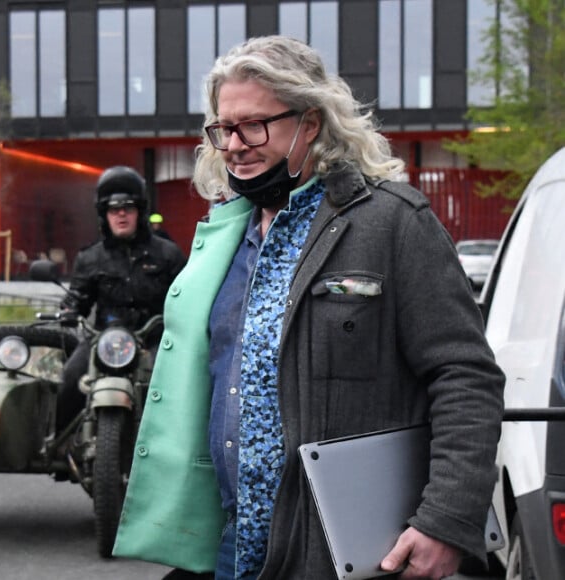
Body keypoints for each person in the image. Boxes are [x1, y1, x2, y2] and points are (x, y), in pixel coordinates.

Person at [114, 36, 505, 580]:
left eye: (254, 125)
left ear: (312, 123)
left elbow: (465, 376)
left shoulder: (392, 222)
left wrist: (446, 519)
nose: (234, 144)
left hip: (343, 550)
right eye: (224, 128)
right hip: (231, 544)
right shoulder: (226, 234)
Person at [57, 166, 187, 433]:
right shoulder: (90, 258)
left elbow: (186, 298)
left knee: (182, 384)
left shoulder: (168, 254)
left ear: (140, 211)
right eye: (113, 209)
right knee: (70, 377)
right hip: (104, 340)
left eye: (128, 207)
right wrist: (69, 309)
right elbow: (78, 298)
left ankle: (182, 444)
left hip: (155, 339)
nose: (121, 214)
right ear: (104, 215)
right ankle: (60, 446)